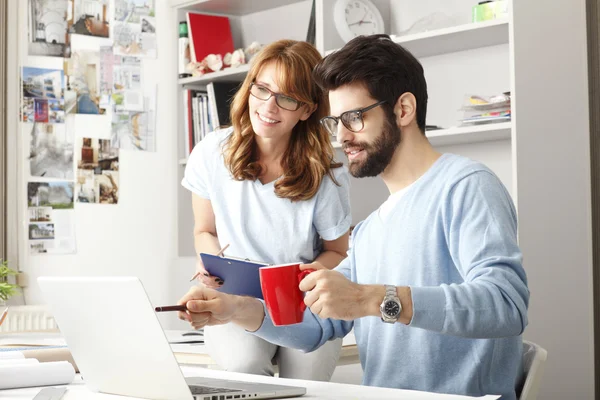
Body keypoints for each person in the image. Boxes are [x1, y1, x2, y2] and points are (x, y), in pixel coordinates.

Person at [177, 34, 529, 399]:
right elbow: (314, 326)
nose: (342, 136)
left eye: (354, 117)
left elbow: (506, 305)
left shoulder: (465, 186)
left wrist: (371, 299)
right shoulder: (369, 231)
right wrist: (234, 308)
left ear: (403, 110)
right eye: (335, 122)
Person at [180, 39, 352, 381]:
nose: (269, 107)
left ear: (306, 109)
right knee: (245, 367)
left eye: (286, 98)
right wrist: (213, 264)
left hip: (302, 299)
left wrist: (297, 280)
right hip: (233, 294)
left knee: (306, 382)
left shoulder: (326, 173)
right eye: (262, 89)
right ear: (250, 88)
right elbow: (205, 230)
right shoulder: (211, 152)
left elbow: (337, 252)